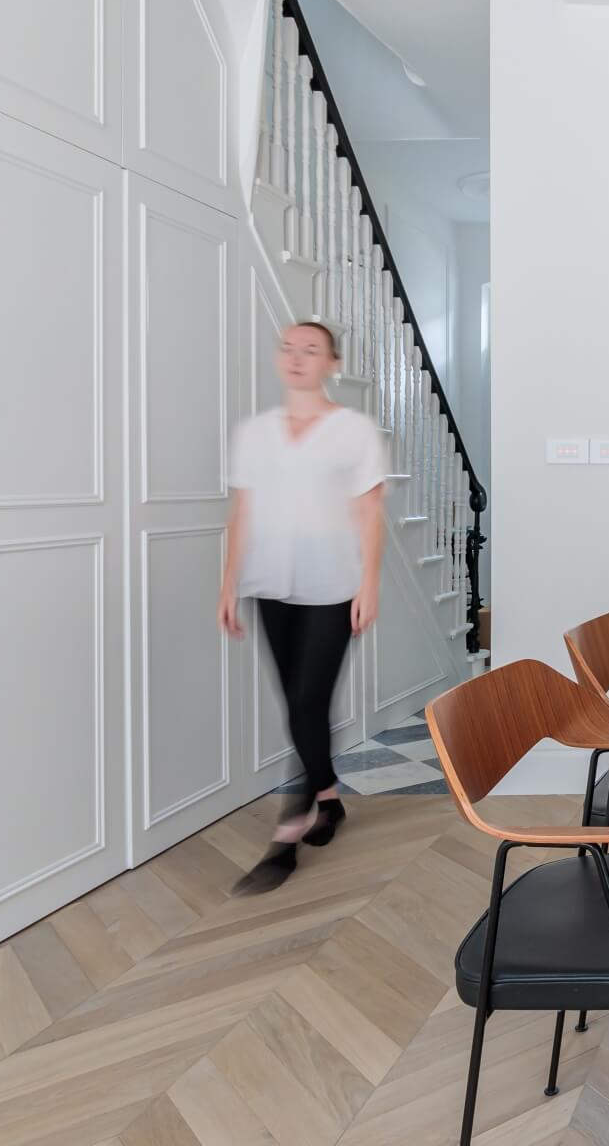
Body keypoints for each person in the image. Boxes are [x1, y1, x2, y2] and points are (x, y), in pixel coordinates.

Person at [219, 321, 386, 894]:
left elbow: (369, 511)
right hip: (269, 582)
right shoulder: (254, 433)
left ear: (331, 363)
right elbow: (243, 511)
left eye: (310, 350)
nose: (296, 357)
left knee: (308, 701)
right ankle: (329, 798)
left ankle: (287, 835)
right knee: (297, 701)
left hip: (334, 585)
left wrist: (370, 584)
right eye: (287, 348)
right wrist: (228, 584)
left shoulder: (355, 431)